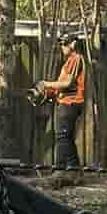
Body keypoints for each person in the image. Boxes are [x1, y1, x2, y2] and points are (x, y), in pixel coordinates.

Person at [36, 35, 87, 171]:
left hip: (71, 103)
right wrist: (49, 94)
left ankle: (71, 170)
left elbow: (67, 83)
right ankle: (64, 170)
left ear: (74, 44)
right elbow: (62, 86)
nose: (62, 47)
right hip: (65, 102)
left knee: (63, 137)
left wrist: (46, 84)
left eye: (65, 44)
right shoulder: (68, 61)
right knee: (64, 138)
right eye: (61, 44)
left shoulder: (75, 59)